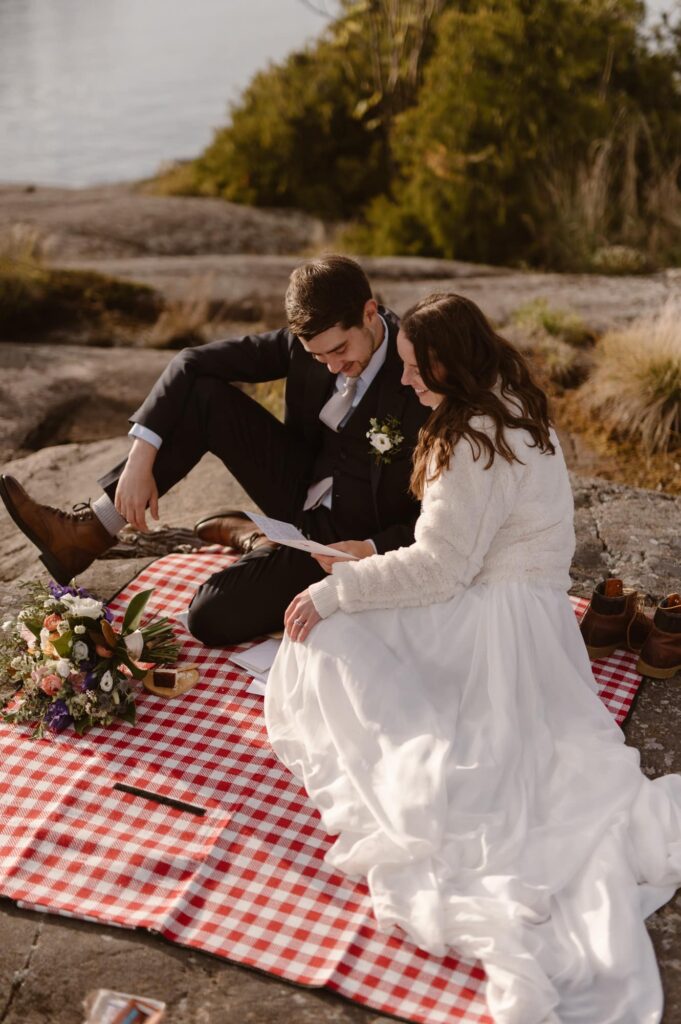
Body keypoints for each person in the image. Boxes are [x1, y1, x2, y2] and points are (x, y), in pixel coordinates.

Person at [265, 293, 681, 1024]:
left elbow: (441, 570)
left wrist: (340, 591)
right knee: (351, 616)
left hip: (493, 626)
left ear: (447, 364)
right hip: (532, 617)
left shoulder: (472, 436)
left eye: (414, 369)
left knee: (325, 635)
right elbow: (456, 553)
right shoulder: (511, 404)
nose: (403, 382)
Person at [0, 255, 429, 645]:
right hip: (297, 489)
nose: (333, 366)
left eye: (339, 350)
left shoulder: (419, 377)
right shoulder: (308, 344)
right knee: (206, 397)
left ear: (369, 313)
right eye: (319, 357)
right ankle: (92, 529)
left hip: (345, 544)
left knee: (208, 617)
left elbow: (436, 513)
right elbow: (191, 362)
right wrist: (139, 457)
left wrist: (371, 549)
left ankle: (258, 539)